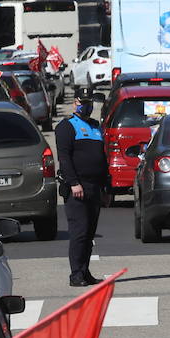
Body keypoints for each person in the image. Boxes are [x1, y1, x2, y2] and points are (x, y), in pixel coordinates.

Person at [55, 90, 107, 287]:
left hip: (95, 187)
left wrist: (105, 187)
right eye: (83, 101)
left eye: (89, 102)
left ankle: (85, 271)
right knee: (80, 232)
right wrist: (73, 182)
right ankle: (76, 274)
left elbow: (102, 158)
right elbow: (65, 158)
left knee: (89, 233)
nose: (87, 105)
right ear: (75, 102)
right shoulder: (66, 126)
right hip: (77, 186)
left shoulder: (95, 126)